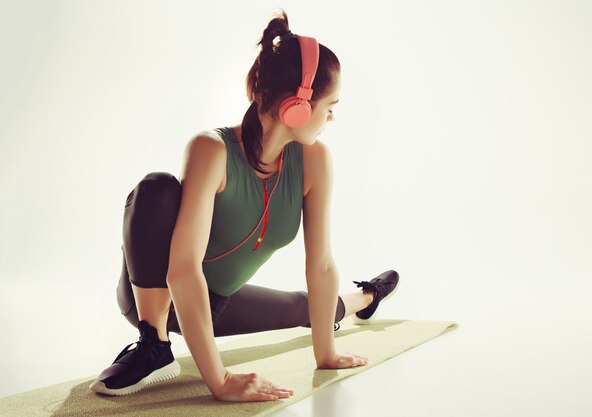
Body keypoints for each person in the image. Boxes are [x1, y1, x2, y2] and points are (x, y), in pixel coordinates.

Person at [89, 9, 400, 402]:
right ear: (298, 106)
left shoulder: (314, 161)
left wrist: (326, 353)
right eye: (330, 105)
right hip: (157, 296)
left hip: (217, 301)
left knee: (300, 307)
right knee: (156, 189)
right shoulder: (211, 150)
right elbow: (183, 270)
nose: (333, 116)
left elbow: (320, 267)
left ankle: (369, 296)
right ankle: (154, 344)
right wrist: (219, 380)